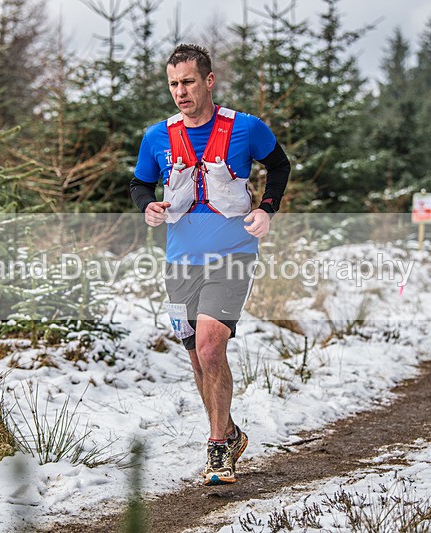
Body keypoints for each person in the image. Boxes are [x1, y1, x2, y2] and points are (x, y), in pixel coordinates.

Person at [130, 44, 290, 486]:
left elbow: (279, 165)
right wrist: (147, 206)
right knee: (198, 359)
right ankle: (231, 432)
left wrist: (267, 209)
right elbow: (140, 183)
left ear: (209, 81)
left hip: (233, 254)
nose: (180, 92)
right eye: (173, 84)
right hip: (180, 260)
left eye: (188, 82)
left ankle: (217, 450)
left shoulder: (245, 127)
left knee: (209, 347)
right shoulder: (156, 137)